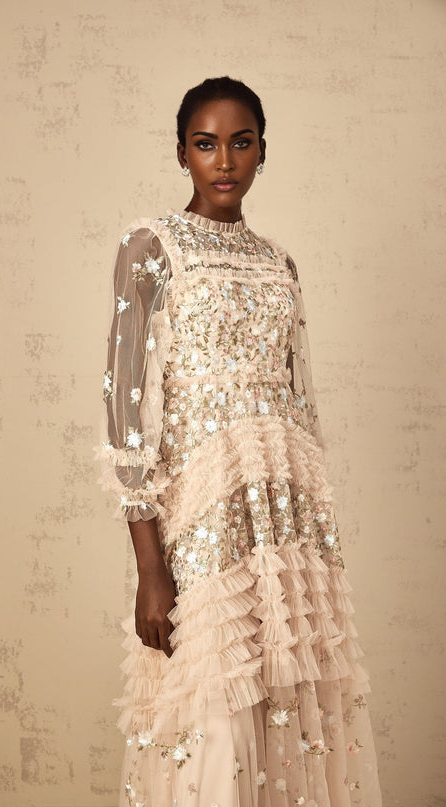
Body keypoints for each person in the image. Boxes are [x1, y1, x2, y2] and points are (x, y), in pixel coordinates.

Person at [95, 76, 383, 807]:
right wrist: (150, 567)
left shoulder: (278, 263)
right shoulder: (150, 249)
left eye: (241, 142)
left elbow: (300, 407)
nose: (224, 160)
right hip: (201, 526)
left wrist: (315, 549)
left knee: (287, 717)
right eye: (205, 143)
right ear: (182, 152)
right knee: (215, 727)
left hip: (288, 528)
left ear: (262, 150)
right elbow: (127, 416)